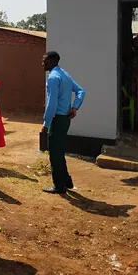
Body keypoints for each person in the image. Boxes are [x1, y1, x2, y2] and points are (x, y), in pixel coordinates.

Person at [42, 51, 86, 194]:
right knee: (59, 151)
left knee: (55, 153)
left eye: (45, 61)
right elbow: (81, 91)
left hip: (57, 119)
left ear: (52, 62)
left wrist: (45, 124)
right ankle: (66, 181)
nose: (42, 64)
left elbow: (52, 103)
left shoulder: (53, 78)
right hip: (65, 119)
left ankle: (59, 185)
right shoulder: (64, 75)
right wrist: (75, 107)